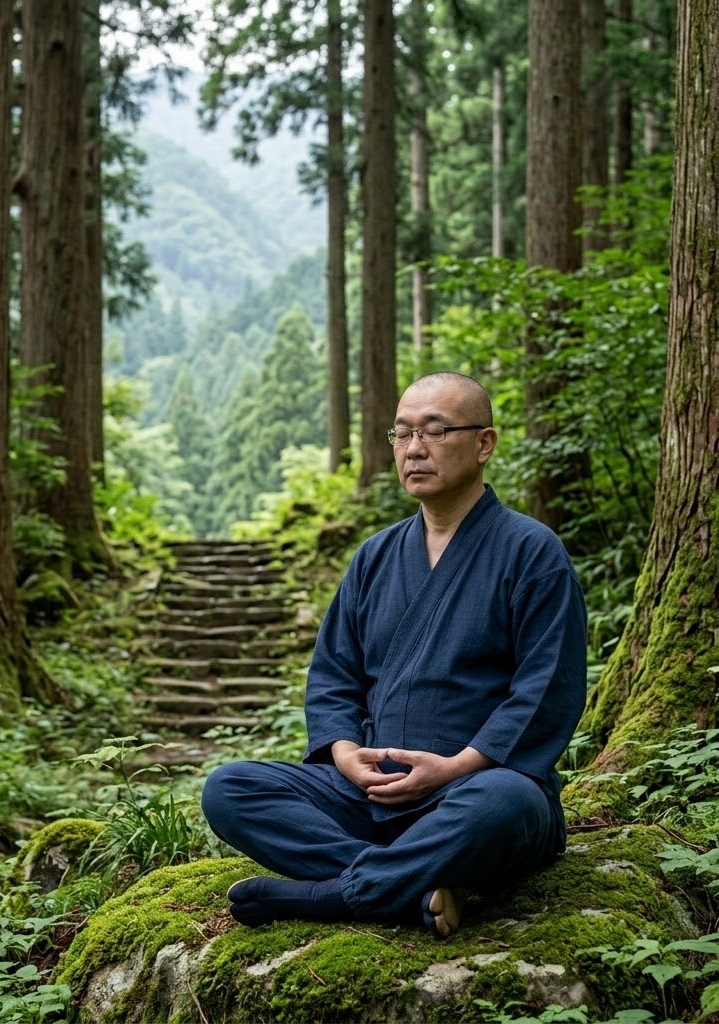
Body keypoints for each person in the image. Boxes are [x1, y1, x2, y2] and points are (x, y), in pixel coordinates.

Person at [200, 371, 587, 938]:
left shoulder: (532, 552)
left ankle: (338, 892)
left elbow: (546, 690)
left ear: (484, 443)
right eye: (402, 435)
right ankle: (413, 885)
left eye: (434, 432)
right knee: (229, 788)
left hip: (468, 790)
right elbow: (333, 675)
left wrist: (456, 767)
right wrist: (344, 751)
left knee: (509, 802)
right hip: (373, 793)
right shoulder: (375, 557)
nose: (414, 450)